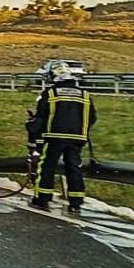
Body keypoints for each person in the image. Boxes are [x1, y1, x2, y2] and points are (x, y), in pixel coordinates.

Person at [30, 62, 96, 212]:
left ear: (54, 76)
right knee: (74, 168)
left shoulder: (50, 93)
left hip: (54, 138)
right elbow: (92, 117)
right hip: (77, 139)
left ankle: (42, 199)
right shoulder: (85, 94)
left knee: (47, 167)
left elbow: (41, 117)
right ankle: (76, 202)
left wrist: (31, 128)